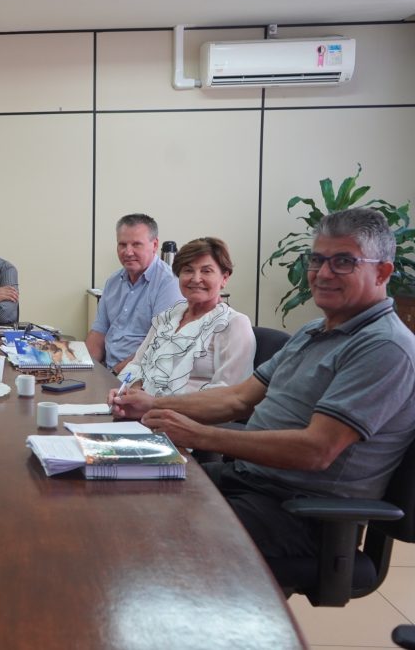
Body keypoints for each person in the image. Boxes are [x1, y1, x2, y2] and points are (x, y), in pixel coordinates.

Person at [113, 209, 415, 560]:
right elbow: (239, 399)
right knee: (121, 491)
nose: (323, 273)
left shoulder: (384, 346)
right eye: (317, 260)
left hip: (299, 513)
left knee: (143, 530)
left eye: (344, 262)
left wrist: (200, 435)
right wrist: (154, 405)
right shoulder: (312, 332)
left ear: (382, 272)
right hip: (249, 481)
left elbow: (316, 449)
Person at [113, 237, 255, 397]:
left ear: (224, 278)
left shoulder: (233, 324)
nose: (196, 279)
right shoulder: (167, 317)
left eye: (206, 271)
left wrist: (155, 405)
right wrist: (130, 390)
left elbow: (229, 394)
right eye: (188, 270)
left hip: (185, 412)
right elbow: (136, 364)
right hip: (141, 407)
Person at [86, 213, 183, 373]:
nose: (128, 252)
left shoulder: (169, 283)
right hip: (108, 372)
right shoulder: (113, 281)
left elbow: (158, 346)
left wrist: (114, 374)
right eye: (122, 244)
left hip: (141, 376)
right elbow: (98, 334)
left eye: (136, 244)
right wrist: (86, 369)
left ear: (155, 245)